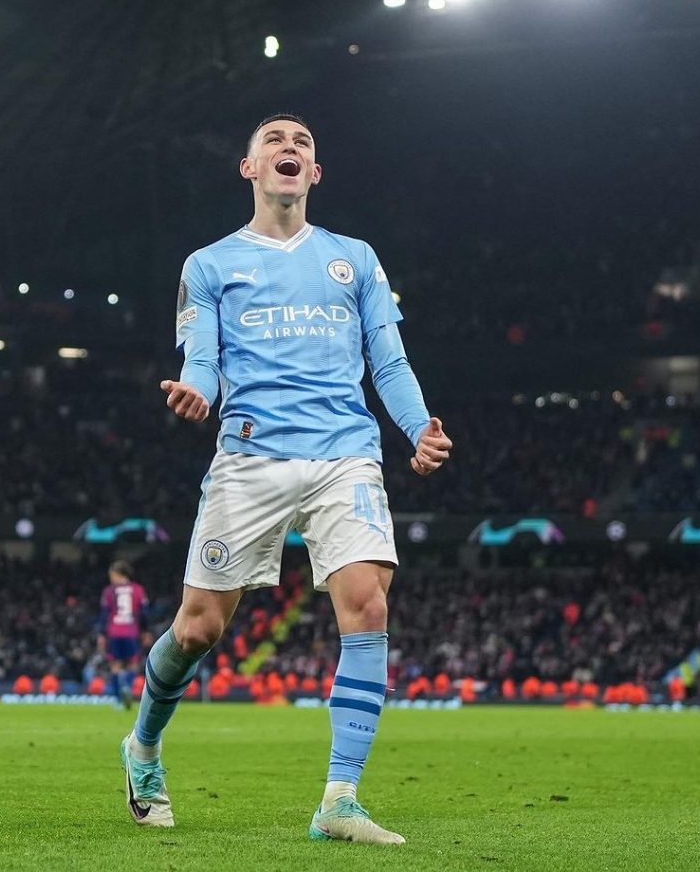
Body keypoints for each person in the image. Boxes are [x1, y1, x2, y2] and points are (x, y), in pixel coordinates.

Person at [121, 113, 452, 845]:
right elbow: (200, 355)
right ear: (249, 168)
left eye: (302, 142)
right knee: (199, 629)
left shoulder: (354, 259)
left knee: (366, 604)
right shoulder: (208, 264)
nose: (289, 149)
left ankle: (339, 800)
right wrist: (196, 390)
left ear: (316, 172)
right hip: (251, 455)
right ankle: (143, 744)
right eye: (274, 141)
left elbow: (387, 361)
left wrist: (418, 427)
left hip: (345, 454)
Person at [98, 559, 148, 707]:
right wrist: (145, 631)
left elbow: (104, 614)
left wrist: (101, 635)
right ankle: (127, 685)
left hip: (114, 632)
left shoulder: (109, 591)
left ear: (117, 574)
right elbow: (144, 613)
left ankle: (118, 700)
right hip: (131, 631)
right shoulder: (138, 590)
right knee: (133, 663)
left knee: (115, 665)